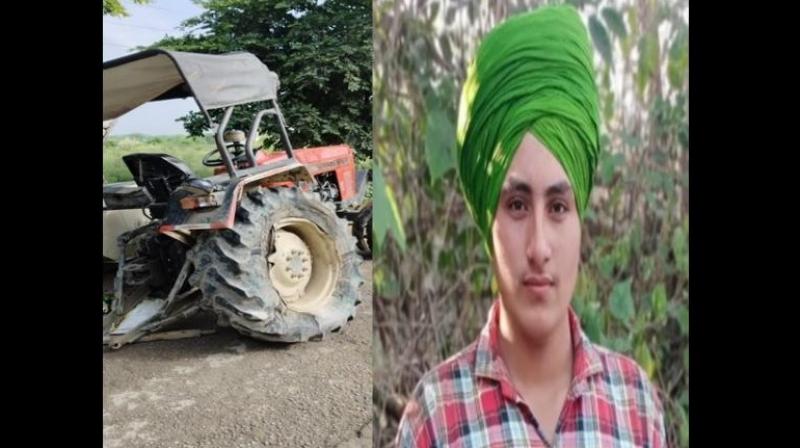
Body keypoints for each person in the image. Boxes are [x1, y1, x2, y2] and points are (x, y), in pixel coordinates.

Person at [396, 5, 666, 447]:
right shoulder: (435, 417)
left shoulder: (636, 407)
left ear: (580, 222)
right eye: (518, 205)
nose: (539, 247)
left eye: (558, 207)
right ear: (489, 221)